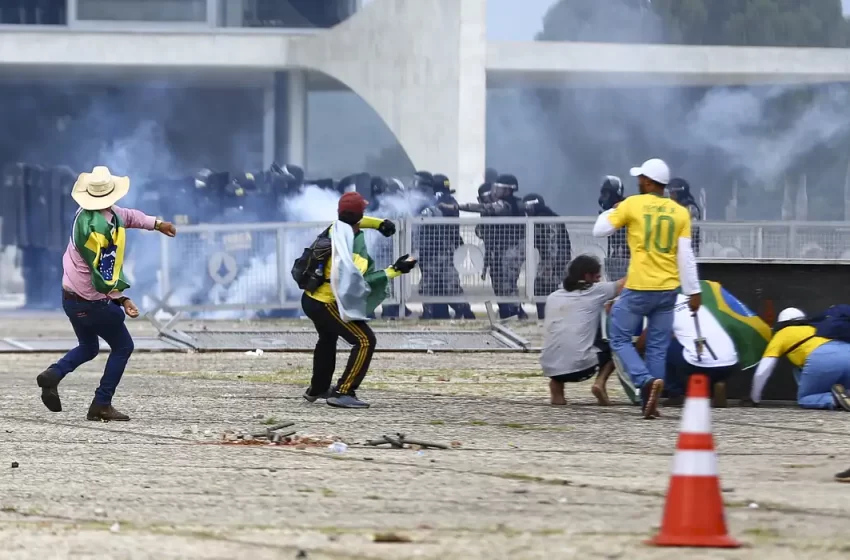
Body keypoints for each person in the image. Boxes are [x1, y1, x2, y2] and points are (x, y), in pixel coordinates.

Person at [36, 166, 177, 421]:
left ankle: (54, 375)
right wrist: (122, 299)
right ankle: (101, 403)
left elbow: (129, 216)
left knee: (89, 346)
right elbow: (103, 275)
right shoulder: (95, 232)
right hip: (91, 301)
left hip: (70, 298)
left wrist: (156, 224)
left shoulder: (93, 213)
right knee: (123, 345)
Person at [592, 158, 701, 419]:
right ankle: (649, 402)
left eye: (640, 178)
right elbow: (686, 256)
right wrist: (694, 292)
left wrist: (614, 210)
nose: (637, 181)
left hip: (640, 287)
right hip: (668, 290)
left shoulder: (633, 204)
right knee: (657, 347)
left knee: (618, 338)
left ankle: (643, 381)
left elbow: (600, 230)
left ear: (649, 182)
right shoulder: (680, 212)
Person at [301, 192, 417, 409]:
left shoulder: (335, 227)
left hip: (310, 298)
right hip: (325, 303)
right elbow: (360, 282)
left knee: (328, 338)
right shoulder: (353, 247)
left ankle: (318, 388)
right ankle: (344, 391)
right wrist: (395, 270)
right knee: (364, 340)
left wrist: (379, 224)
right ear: (359, 214)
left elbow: (354, 219)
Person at [540, 255, 625, 406]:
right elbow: (627, 283)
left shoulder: (554, 296)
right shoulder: (596, 290)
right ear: (587, 276)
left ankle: (557, 389)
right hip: (581, 368)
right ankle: (600, 382)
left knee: (566, 336)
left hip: (550, 367)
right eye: (597, 277)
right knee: (618, 345)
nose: (599, 280)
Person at [750, 307, 850, 411]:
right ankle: (845, 395)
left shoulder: (783, 333)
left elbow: (763, 370)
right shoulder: (818, 326)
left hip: (821, 358)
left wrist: (755, 398)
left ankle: (833, 399)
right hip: (847, 353)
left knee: (806, 398)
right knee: (797, 369)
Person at [523, 193, 571, 319]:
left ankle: (546, 320)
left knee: (543, 290)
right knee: (546, 291)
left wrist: (549, 266)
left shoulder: (545, 219)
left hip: (553, 262)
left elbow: (552, 244)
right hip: (555, 261)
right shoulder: (545, 217)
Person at [598, 176, 629, 281]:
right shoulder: (610, 214)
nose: (602, 198)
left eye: (606, 194)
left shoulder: (627, 208)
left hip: (627, 256)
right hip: (616, 256)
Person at [667, 178, 702, 256]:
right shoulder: (670, 207)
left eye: (672, 193)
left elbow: (692, 232)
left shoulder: (690, 208)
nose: (670, 196)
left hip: (688, 253)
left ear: (679, 193)